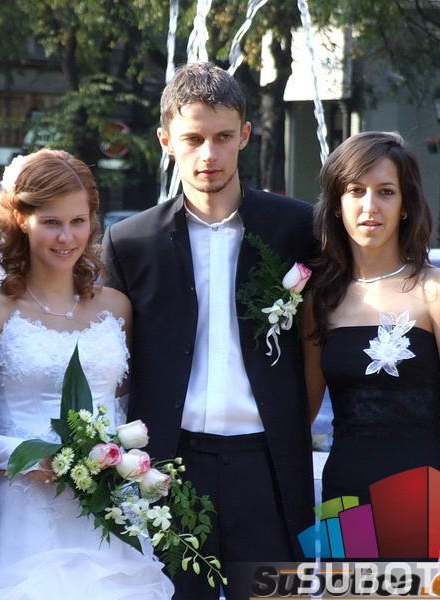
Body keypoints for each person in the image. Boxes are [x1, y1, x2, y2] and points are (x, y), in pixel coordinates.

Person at [102, 62, 316, 600]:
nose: (209, 154)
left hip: (269, 469)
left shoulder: (297, 229)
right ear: (166, 140)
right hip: (171, 471)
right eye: (193, 139)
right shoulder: (131, 243)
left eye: (223, 137)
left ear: (245, 134)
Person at [0, 149, 174, 599]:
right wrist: (25, 455)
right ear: (21, 219)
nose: (66, 237)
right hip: (20, 518)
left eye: (78, 221)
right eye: (51, 222)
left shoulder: (116, 308)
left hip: (107, 518)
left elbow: (122, 408)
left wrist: (116, 457)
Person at [304, 131, 440, 513]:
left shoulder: (439, 290)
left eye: (385, 192)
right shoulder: (319, 298)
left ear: (404, 205)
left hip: (424, 502)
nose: (370, 206)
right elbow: (304, 411)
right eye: (355, 191)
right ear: (337, 205)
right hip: (342, 503)